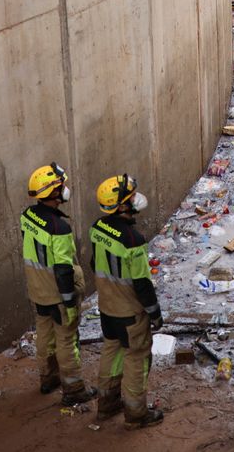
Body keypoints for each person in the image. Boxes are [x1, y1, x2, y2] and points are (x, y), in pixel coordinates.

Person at [89, 174, 164, 429]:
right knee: (136, 358)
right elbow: (142, 282)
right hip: (130, 311)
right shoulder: (133, 240)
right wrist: (154, 312)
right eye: (130, 197)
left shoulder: (98, 227)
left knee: (111, 350)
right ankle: (136, 414)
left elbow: (93, 263)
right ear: (122, 205)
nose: (135, 199)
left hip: (106, 307)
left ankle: (107, 404)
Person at [21, 163, 96, 405]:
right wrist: (69, 300)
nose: (65, 188)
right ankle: (73, 389)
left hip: (37, 288)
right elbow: (63, 267)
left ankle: (48, 378)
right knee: (66, 339)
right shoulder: (59, 228)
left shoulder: (28, 216)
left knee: (43, 335)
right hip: (57, 291)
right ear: (53, 192)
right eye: (61, 185)